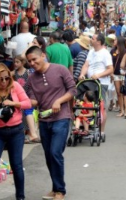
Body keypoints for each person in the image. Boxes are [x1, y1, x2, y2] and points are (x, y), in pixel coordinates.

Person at [26, 46, 76, 200]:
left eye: (34, 59)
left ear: (43, 55)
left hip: (62, 117)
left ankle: (60, 191)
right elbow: (33, 100)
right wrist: (21, 102)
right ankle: (55, 188)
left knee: (55, 152)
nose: (32, 63)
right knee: (48, 156)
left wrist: (59, 101)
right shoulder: (31, 79)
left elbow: (73, 89)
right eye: (29, 62)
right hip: (44, 120)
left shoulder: (60, 69)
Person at [0, 63, 31, 200]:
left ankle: (20, 197)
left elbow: (27, 103)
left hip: (16, 131)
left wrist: (13, 103)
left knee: (17, 164)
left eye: (6, 78)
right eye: (0, 79)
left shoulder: (15, 86)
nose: (4, 82)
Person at [78, 33, 113, 141]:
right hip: (89, 82)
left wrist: (98, 75)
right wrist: (82, 74)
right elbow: (86, 65)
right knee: (83, 102)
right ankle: (84, 126)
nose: (90, 40)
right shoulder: (91, 52)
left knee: (100, 106)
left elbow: (110, 69)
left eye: (93, 38)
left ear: (98, 42)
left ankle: (102, 131)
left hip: (101, 82)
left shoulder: (105, 53)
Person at [13, 55, 39, 143]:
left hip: (27, 95)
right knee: (21, 114)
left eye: (17, 62)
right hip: (18, 97)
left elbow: (32, 83)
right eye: (14, 62)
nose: (15, 64)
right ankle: (27, 133)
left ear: (23, 63)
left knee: (28, 112)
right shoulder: (13, 73)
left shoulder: (28, 72)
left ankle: (31, 133)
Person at [111, 36, 126, 117]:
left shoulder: (125, 51)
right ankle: (122, 110)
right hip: (116, 74)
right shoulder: (112, 51)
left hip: (124, 74)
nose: (114, 41)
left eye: (116, 40)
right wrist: (111, 74)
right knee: (118, 92)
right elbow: (111, 63)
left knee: (125, 92)